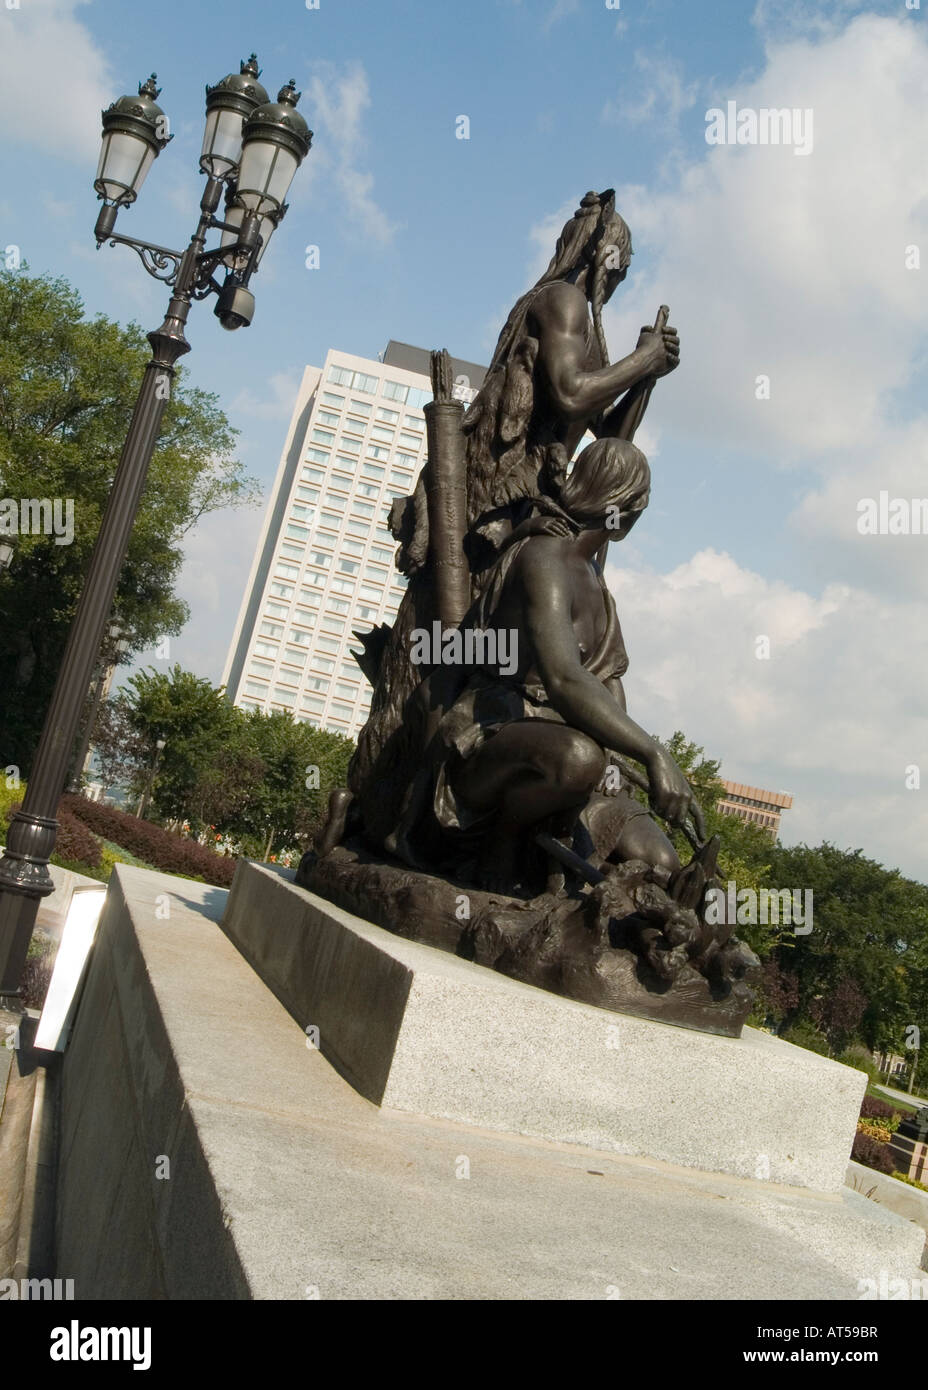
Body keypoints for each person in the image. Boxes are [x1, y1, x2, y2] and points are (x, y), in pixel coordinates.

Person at [398, 436, 702, 891]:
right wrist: (655, 753)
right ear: (630, 507)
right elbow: (562, 677)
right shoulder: (544, 557)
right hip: (491, 739)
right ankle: (499, 855)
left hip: (574, 760)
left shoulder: (598, 584)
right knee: (577, 759)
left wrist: (630, 769)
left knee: (661, 860)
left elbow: (608, 685)